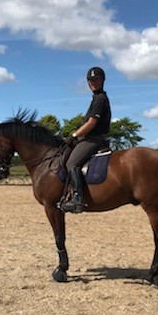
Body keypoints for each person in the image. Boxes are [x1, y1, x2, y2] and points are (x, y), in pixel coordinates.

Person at [59, 66, 111, 214]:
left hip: (93, 139)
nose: (93, 83)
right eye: (90, 80)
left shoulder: (100, 99)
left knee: (72, 163)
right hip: (89, 138)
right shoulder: (96, 98)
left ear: (102, 80)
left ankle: (78, 198)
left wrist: (74, 136)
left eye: (96, 79)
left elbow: (91, 123)